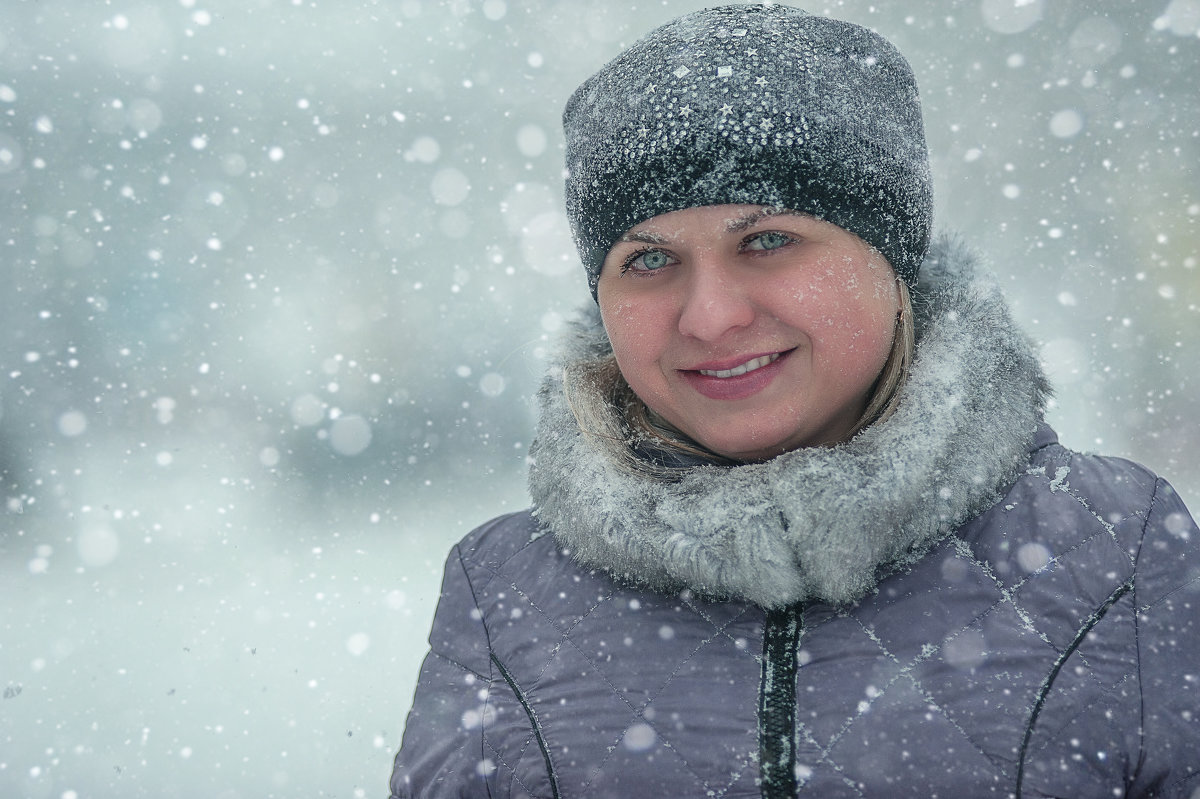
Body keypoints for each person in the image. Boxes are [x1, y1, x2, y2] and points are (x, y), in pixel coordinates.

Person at [389, 5, 1200, 797]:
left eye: (767, 241)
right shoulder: (507, 594)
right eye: (648, 261)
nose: (711, 315)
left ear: (890, 261)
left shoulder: (1117, 554)